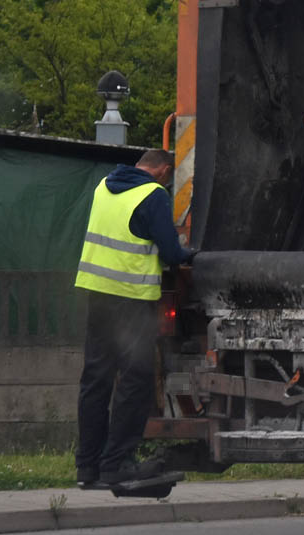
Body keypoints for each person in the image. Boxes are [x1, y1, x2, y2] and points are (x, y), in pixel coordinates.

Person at [74, 149, 195, 486]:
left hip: (97, 293)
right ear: (163, 171)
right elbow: (171, 252)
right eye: (169, 178)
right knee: (135, 379)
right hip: (131, 300)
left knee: (96, 378)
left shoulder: (103, 187)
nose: (167, 184)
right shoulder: (152, 194)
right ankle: (117, 463)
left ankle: (87, 466)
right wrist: (190, 255)